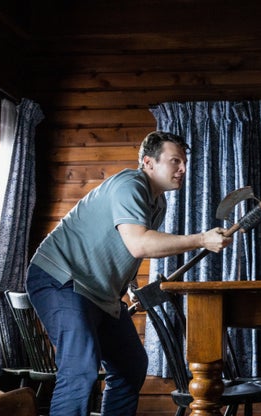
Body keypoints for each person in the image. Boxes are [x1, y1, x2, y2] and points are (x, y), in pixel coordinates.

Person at [25, 131, 232, 416]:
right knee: (80, 370)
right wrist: (201, 239)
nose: (183, 168)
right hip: (62, 279)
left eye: (183, 162)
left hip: (100, 294)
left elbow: (124, 246)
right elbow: (139, 244)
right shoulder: (130, 184)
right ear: (148, 162)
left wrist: (130, 283)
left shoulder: (158, 203)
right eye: (175, 161)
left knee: (131, 365)